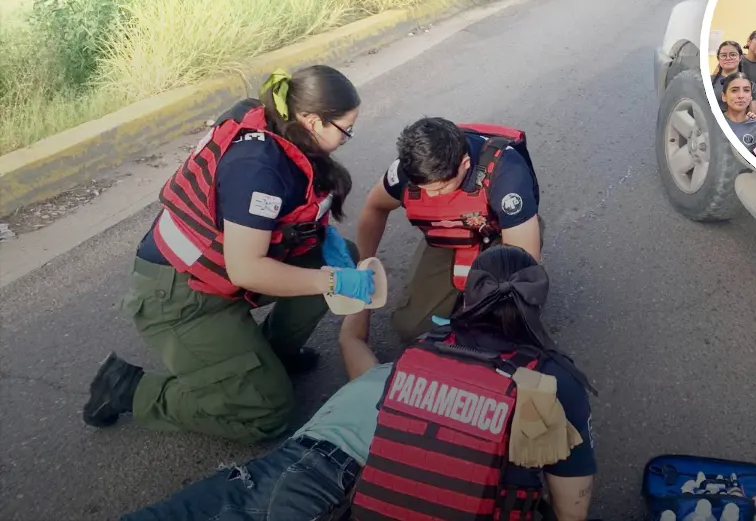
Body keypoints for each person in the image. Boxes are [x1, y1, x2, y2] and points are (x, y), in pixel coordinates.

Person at [121, 245, 597, 521]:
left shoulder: (416, 361)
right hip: (323, 474)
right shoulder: (543, 381)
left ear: (467, 299)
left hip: (312, 468)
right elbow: (570, 503)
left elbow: (354, 347)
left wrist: (359, 293)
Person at [83, 65, 378, 444]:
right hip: (179, 296)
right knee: (267, 414)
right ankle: (128, 389)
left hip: (216, 271)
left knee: (337, 255)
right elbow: (246, 269)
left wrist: (329, 251)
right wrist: (332, 280)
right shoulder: (258, 169)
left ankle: (270, 358)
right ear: (310, 119)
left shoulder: (280, 126)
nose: (345, 138)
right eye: (344, 130)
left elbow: (284, 220)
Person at [355, 116, 542, 341]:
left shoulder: (506, 171)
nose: (432, 196)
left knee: (500, 329)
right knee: (411, 329)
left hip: (501, 235)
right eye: (424, 189)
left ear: (464, 164)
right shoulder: (409, 168)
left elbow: (523, 259)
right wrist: (363, 268)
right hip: (448, 235)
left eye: (440, 188)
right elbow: (375, 207)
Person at [722, 72, 756, 152]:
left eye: (746, 90)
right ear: (724, 96)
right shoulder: (714, 123)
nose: (741, 95)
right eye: (734, 90)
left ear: (751, 96)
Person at [712, 40, 756, 113]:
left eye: (733, 54)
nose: (728, 58)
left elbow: (752, 116)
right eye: (723, 55)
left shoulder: (750, 85)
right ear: (718, 59)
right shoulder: (707, 81)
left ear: (740, 58)